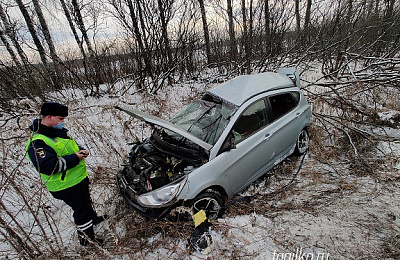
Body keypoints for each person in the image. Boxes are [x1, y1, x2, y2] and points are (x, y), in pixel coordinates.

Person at [26, 102, 106, 246]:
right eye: (61, 119)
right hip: (65, 185)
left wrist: (80, 150)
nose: (63, 122)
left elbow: (68, 147)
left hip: (78, 178)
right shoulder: (37, 142)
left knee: (86, 202)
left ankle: (93, 218)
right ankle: (88, 241)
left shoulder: (55, 132)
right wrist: (76, 157)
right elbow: (49, 166)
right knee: (81, 211)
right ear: (49, 117)